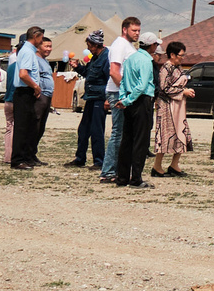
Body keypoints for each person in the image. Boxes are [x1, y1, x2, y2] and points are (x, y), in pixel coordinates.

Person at [112, 31, 159, 188]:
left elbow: (124, 80)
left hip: (129, 101)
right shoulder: (146, 61)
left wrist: (124, 99)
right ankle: (136, 179)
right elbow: (142, 84)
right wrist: (130, 99)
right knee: (140, 141)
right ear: (152, 45)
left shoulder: (131, 58)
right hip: (141, 100)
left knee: (127, 140)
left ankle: (122, 177)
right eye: (156, 44)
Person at [103, 16, 144, 185]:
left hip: (122, 92)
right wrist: (125, 93)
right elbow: (114, 71)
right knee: (118, 133)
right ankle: (108, 171)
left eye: (139, 31)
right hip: (117, 92)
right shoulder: (119, 45)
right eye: (134, 30)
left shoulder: (128, 46)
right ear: (124, 29)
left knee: (124, 133)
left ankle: (117, 169)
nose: (137, 34)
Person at [6, 26, 54, 168]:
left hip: (28, 92)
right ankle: (18, 160)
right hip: (24, 92)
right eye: (41, 38)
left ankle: (27, 157)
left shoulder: (29, 51)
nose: (41, 41)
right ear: (35, 36)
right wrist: (35, 86)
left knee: (29, 126)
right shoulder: (27, 52)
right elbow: (23, 74)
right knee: (22, 127)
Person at [68, 30, 111, 169]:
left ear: (94, 44)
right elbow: (88, 74)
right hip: (91, 97)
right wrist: (78, 68)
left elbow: (109, 79)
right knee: (83, 129)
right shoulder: (94, 58)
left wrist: (107, 99)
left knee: (97, 130)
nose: (87, 47)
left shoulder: (106, 58)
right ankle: (80, 158)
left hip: (100, 98)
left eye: (89, 44)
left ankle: (99, 161)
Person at [151, 38, 193, 176]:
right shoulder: (165, 69)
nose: (182, 58)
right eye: (181, 55)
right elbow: (164, 89)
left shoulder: (177, 68)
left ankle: (174, 165)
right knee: (165, 135)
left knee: (181, 132)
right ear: (172, 55)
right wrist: (183, 92)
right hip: (167, 107)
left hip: (178, 106)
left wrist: (185, 90)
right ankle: (157, 166)